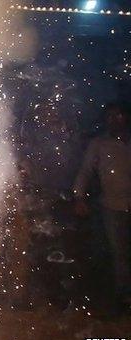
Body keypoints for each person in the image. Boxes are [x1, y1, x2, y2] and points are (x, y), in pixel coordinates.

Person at [73, 103, 131, 311]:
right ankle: (124, 296)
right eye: (111, 116)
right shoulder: (100, 144)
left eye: (119, 115)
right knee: (120, 252)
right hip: (112, 206)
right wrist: (79, 197)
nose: (115, 120)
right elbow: (86, 171)